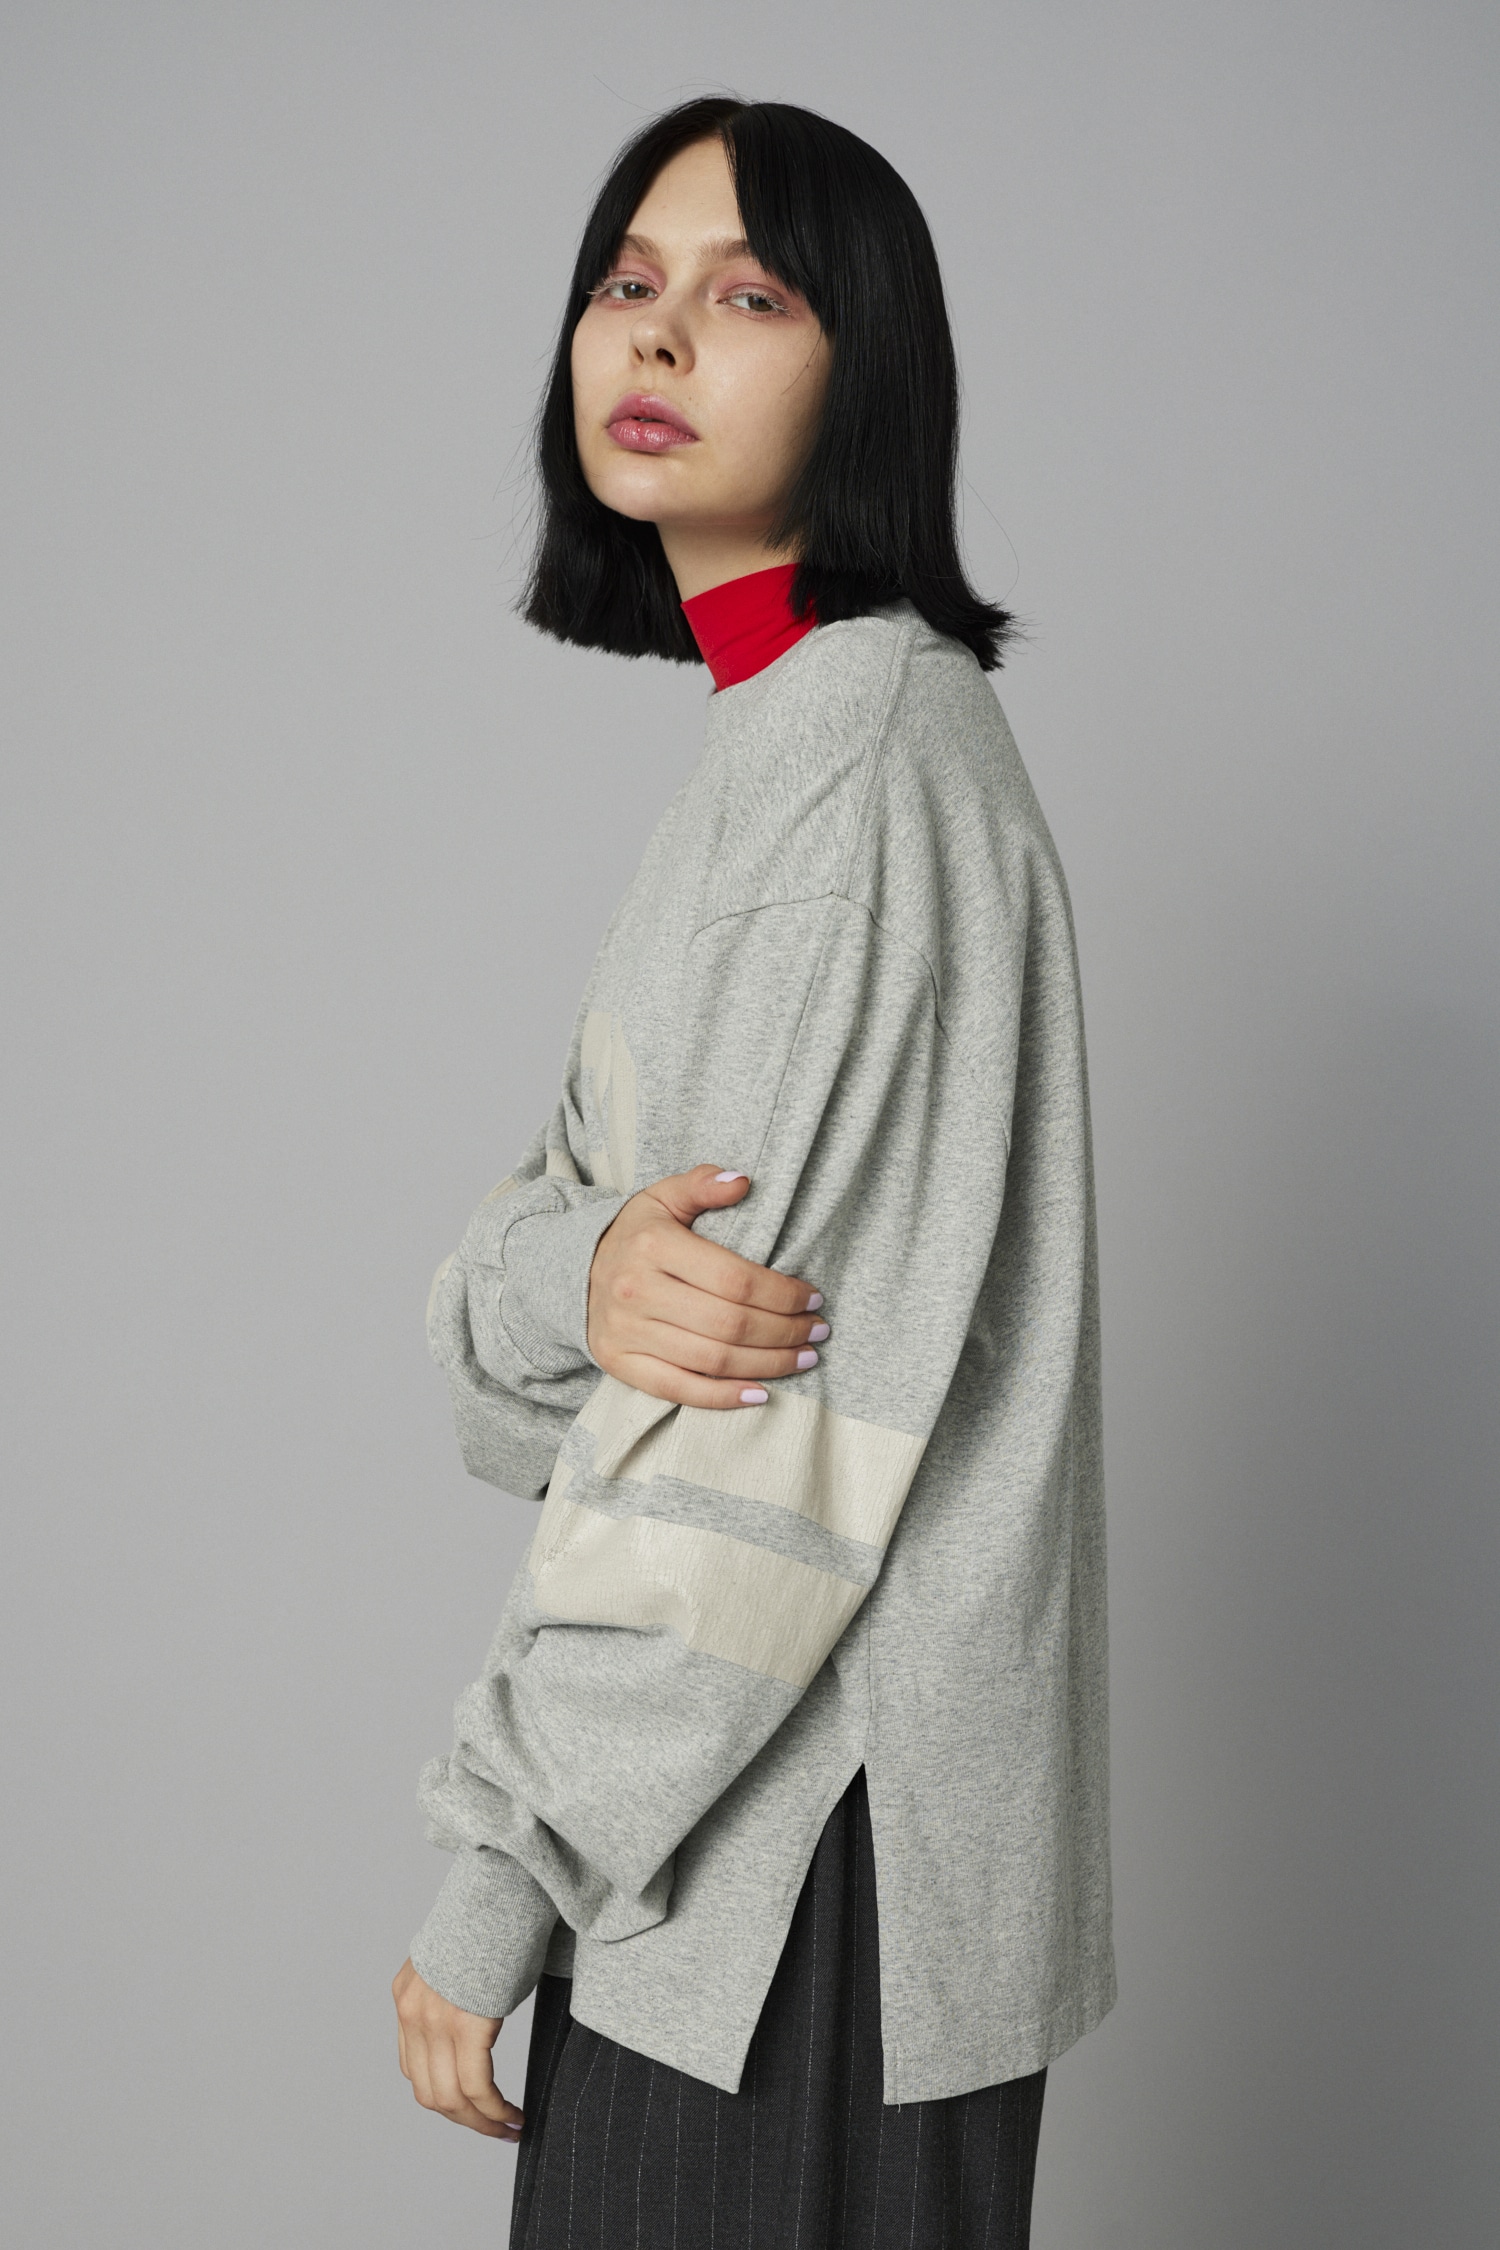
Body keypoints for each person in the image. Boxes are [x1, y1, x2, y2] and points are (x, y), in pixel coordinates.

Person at [391, 95, 1114, 2248]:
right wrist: (576, 1268)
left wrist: (504, 1864)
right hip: (744, 1848)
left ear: (864, 369)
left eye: (751, 293)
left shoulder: (857, 782)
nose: (660, 332)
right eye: (629, 280)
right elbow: (514, 1379)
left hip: (799, 1860)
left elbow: (764, 1444)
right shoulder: (776, 750)